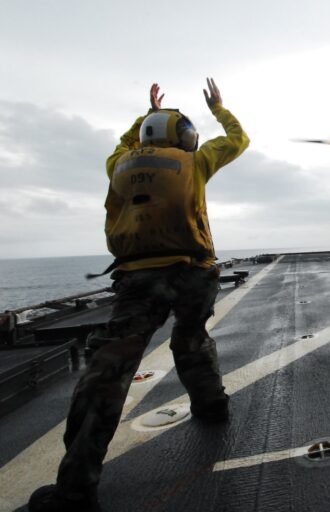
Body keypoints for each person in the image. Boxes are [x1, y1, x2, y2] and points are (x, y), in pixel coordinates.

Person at [28, 78, 250, 512]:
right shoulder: (196, 161)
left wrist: (144, 113)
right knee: (191, 338)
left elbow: (126, 142)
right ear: (184, 137)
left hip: (137, 280)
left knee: (108, 373)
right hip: (193, 272)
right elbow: (238, 139)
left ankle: (75, 490)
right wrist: (220, 108)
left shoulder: (118, 164)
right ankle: (212, 406)